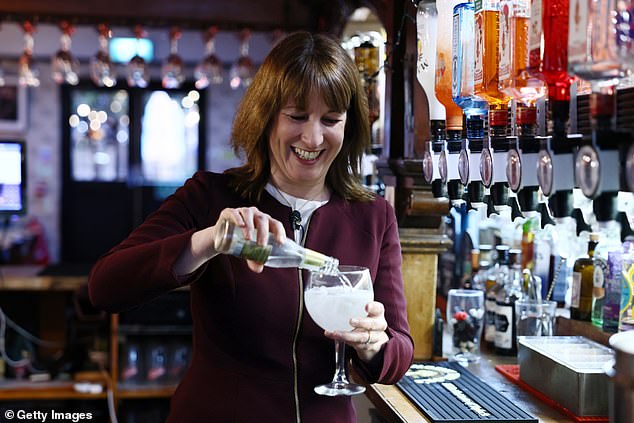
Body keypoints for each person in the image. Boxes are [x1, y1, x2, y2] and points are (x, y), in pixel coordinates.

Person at [88, 31, 413, 423]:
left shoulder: (373, 216)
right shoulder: (210, 196)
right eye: (296, 116)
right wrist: (208, 242)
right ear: (266, 116)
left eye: (330, 120)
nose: (312, 137)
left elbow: (399, 354)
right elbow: (104, 286)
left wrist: (375, 345)